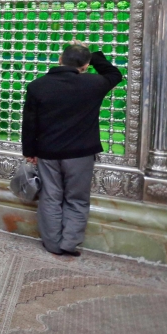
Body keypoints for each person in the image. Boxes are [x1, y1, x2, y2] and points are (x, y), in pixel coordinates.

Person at [22, 42, 123, 256]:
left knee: (50, 196)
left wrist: (30, 151)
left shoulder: (38, 86)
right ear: (85, 65)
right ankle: (69, 243)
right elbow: (114, 74)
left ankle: (52, 244)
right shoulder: (94, 83)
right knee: (77, 198)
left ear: (60, 59)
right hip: (81, 154)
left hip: (48, 152)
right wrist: (93, 56)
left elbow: (29, 123)